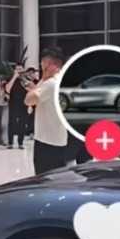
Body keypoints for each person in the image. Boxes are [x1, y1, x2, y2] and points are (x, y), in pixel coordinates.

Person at [25, 47, 69, 175]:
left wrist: (36, 86)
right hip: (58, 139)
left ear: (51, 65)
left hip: (47, 141)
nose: (42, 67)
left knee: (43, 178)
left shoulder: (51, 83)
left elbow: (29, 100)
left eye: (43, 64)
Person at [5, 64, 31, 150]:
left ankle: (20, 143)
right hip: (13, 103)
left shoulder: (26, 79)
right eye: (17, 69)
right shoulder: (11, 79)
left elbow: (31, 90)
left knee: (22, 124)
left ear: (23, 70)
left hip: (24, 104)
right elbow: (7, 89)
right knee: (11, 123)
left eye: (20, 69)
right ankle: (10, 142)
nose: (19, 71)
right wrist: (14, 77)